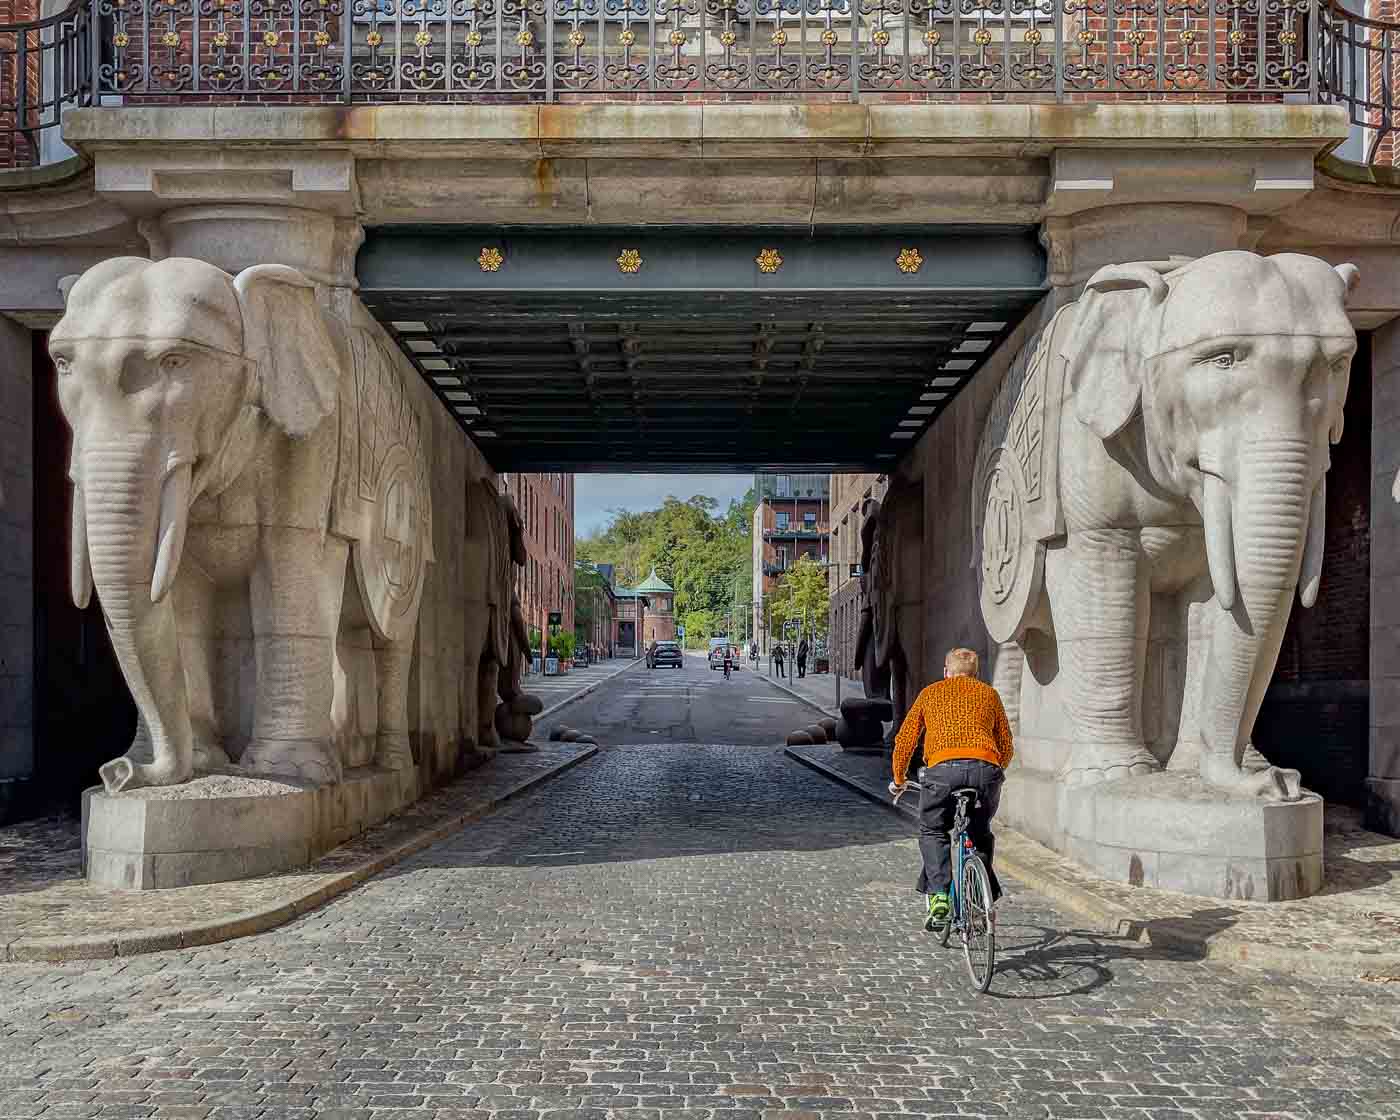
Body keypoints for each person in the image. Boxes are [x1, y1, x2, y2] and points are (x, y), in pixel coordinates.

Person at [890, 647, 1014, 930]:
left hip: (941, 773)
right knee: (980, 834)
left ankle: (939, 897)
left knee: (933, 830)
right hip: (986, 771)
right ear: (976, 675)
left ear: (946, 671)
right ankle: (978, 898)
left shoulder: (930, 693)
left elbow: (905, 740)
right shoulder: (989, 694)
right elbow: (1006, 745)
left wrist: (898, 778)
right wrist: (992, 770)